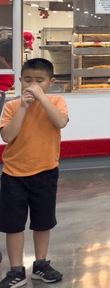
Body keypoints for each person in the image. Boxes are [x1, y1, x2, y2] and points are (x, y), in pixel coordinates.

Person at [0, 58, 69, 286]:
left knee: (43, 222)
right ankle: (16, 270)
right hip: (13, 175)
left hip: (46, 173)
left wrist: (41, 98)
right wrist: (22, 106)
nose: (33, 85)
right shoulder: (11, 106)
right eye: (28, 80)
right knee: (14, 225)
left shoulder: (57, 101)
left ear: (51, 82)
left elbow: (60, 121)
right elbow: (7, 136)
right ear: (19, 81)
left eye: (39, 81)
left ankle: (40, 264)